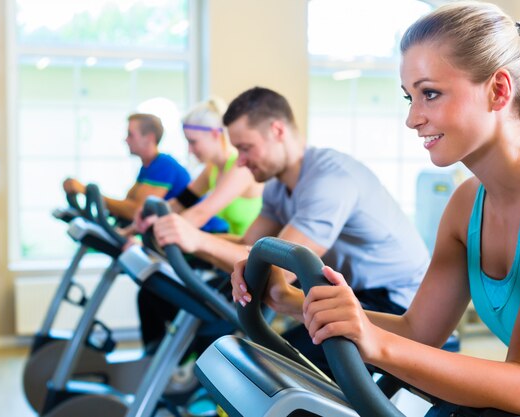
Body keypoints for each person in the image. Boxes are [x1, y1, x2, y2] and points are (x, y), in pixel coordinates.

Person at [233, 2, 520, 416]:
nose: (413, 118)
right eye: (409, 97)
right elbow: (419, 332)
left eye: (430, 93)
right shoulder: (467, 205)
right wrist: (292, 298)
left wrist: (372, 339)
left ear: (499, 90)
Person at [153, 86, 431, 375]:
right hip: (349, 293)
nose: (242, 161)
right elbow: (249, 244)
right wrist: (189, 239)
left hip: (396, 304)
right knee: (260, 357)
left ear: (277, 131)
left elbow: (280, 270)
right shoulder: (277, 186)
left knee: (276, 367)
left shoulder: (329, 180)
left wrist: (197, 240)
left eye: (246, 148)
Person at [134, 97, 263, 354]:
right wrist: (136, 227)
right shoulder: (213, 169)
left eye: (193, 142)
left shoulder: (240, 167)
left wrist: (152, 235)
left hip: (248, 265)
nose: (191, 151)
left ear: (216, 135)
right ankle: (160, 362)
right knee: (151, 292)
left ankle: (182, 368)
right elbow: (180, 204)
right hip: (224, 260)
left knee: (200, 319)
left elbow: (201, 212)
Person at [63, 113, 190, 223]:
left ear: (149, 138)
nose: (126, 140)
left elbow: (136, 212)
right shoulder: (148, 167)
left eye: (131, 135)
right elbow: (128, 204)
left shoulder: (164, 165)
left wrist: (86, 191)